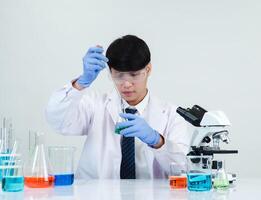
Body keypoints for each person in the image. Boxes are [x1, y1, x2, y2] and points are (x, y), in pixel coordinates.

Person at [45, 35, 191, 179]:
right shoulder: (94, 105)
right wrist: (80, 83)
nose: (126, 84)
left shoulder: (172, 115)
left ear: (148, 70)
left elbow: (184, 169)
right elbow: (58, 120)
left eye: (134, 75)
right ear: (110, 72)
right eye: (119, 75)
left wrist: (158, 141)